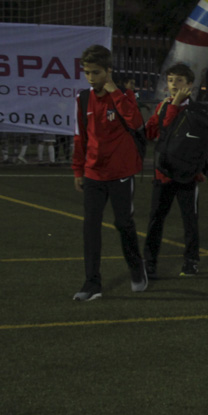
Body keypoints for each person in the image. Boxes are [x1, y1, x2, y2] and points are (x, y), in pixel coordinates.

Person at [71, 44, 148, 301]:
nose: (90, 78)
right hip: (93, 173)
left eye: (95, 72)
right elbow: (80, 137)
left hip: (121, 173)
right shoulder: (82, 99)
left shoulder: (124, 96)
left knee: (123, 224)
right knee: (90, 227)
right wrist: (78, 169)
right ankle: (92, 283)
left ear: (108, 71)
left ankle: (137, 269)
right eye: (87, 73)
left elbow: (136, 123)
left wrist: (116, 93)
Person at [143, 63, 204, 279]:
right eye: (170, 80)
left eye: (179, 80)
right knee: (156, 220)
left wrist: (200, 169)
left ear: (189, 84)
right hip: (164, 173)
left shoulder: (196, 111)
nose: (174, 85)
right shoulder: (162, 107)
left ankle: (191, 261)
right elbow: (152, 132)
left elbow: (199, 142)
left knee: (190, 221)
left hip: (187, 176)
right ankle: (149, 263)